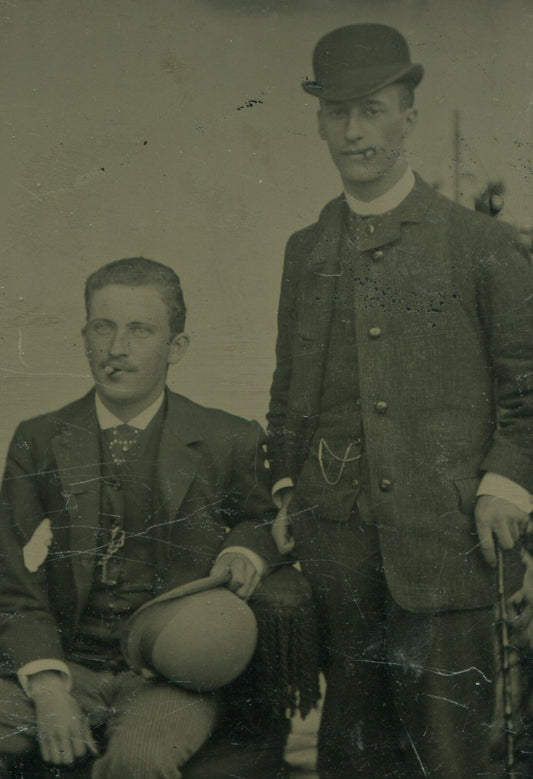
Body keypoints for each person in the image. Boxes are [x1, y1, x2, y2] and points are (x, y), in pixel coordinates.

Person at [266, 23, 533, 777]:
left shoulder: (478, 244)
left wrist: (505, 483)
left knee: (447, 758)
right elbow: (288, 390)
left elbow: (527, 386)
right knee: (351, 754)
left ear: (407, 118)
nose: (355, 131)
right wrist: (286, 487)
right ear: (320, 124)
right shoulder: (305, 250)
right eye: (338, 113)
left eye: (373, 111)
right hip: (338, 556)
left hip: (446, 547)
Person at [0, 256, 282, 778]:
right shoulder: (38, 439)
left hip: (168, 678)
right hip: (66, 662)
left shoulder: (227, 437)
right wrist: (47, 683)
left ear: (177, 346)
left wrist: (244, 549)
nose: (116, 349)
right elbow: (8, 569)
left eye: (139, 330)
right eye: (102, 328)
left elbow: (262, 518)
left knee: (139, 763)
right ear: (84, 337)